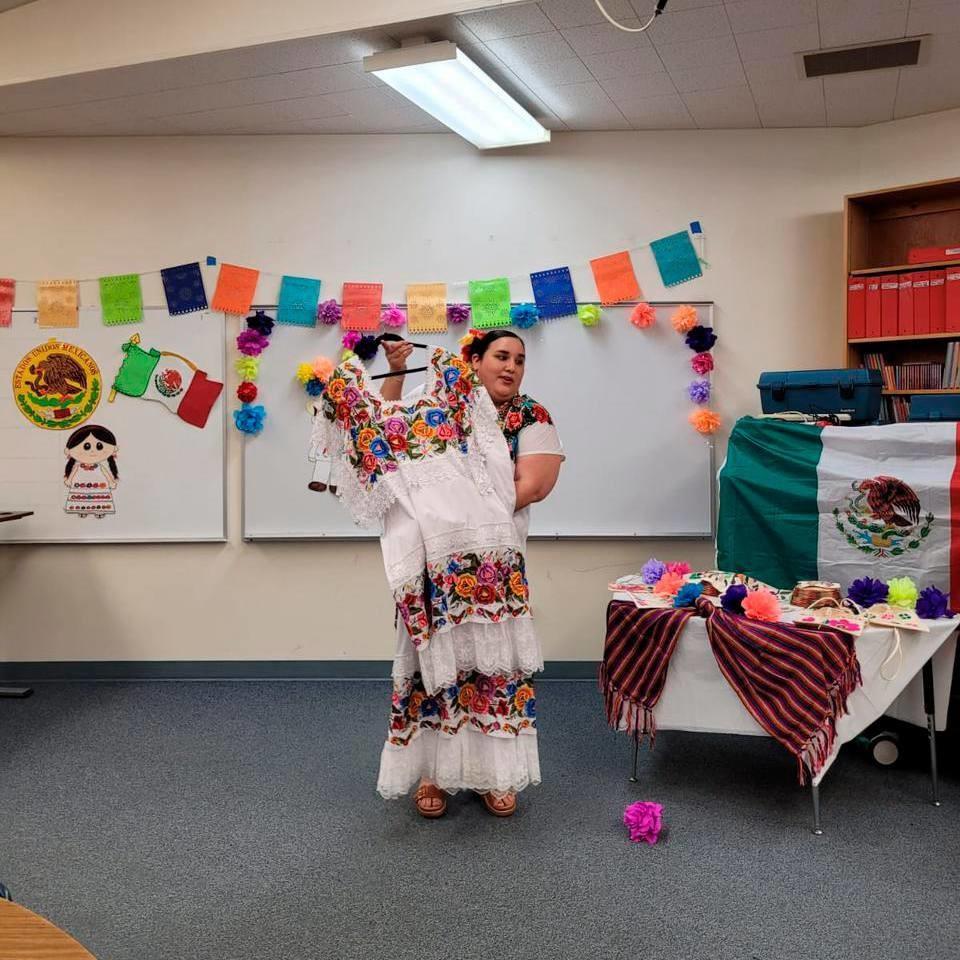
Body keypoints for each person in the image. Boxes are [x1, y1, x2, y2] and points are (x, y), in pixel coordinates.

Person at [380, 328, 564, 816]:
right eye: (501, 356)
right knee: (433, 671)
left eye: (520, 360)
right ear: (474, 361)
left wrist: (456, 518)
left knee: (491, 671)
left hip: (493, 571)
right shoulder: (437, 405)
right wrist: (396, 373)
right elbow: (389, 441)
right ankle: (434, 773)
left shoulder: (531, 416)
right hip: (430, 568)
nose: (511, 367)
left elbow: (535, 485)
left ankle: (494, 775)